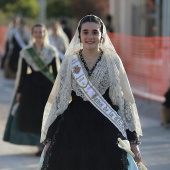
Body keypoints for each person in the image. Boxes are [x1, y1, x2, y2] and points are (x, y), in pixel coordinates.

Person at [40, 15, 143, 170]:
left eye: (95, 32)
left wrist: (133, 142)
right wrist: (49, 139)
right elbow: (59, 101)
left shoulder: (113, 60)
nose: (90, 37)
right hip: (73, 128)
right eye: (86, 32)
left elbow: (125, 100)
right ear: (79, 35)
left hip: (106, 129)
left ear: (101, 35)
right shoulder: (70, 62)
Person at [3, 24, 60, 156]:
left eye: (41, 32)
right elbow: (22, 73)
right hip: (30, 89)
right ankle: (38, 145)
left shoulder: (51, 51)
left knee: (45, 117)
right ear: (32, 34)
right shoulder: (26, 52)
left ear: (45, 33)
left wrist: (58, 90)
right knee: (34, 117)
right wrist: (19, 92)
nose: (38, 34)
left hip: (46, 88)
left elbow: (56, 73)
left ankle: (45, 144)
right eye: (36, 32)